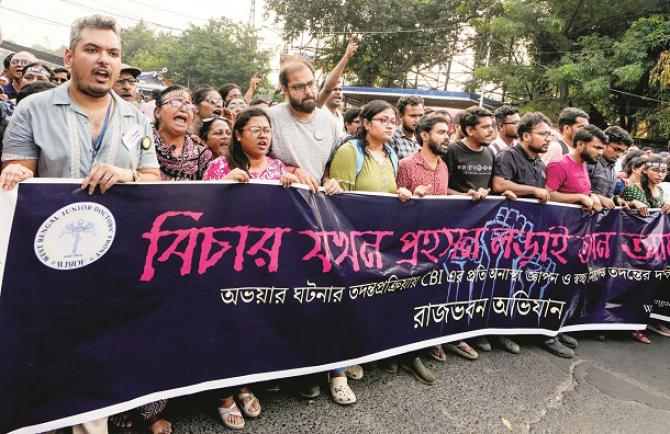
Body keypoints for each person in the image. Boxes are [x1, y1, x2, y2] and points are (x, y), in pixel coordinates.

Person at [0, 14, 164, 434]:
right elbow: (17, 176)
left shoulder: (136, 118)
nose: (104, 60)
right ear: (70, 56)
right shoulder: (32, 109)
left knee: (97, 365)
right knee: (42, 362)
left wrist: (127, 175)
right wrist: (16, 176)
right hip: (48, 266)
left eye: (113, 53)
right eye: (92, 50)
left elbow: (152, 179)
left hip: (114, 264)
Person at [266, 56, 342, 195]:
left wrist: (329, 181)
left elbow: (329, 166)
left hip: (315, 205)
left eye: (311, 84)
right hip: (276, 201)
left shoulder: (330, 122)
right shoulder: (269, 119)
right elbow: (251, 160)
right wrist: (290, 170)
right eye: (299, 87)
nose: (308, 91)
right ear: (285, 90)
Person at [621, 156, 670, 342]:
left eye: (663, 171)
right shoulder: (633, 189)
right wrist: (633, 203)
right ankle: (628, 325)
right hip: (631, 246)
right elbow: (622, 210)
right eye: (656, 170)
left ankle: (642, 323)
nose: (659, 175)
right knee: (631, 284)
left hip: (655, 248)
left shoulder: (662, 191)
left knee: (649, 286)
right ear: (644, 170)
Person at [153, 85, 212, 181]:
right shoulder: (142, 145)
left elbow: (209, 191)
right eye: (175, 102)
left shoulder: (201, 155)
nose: (183, 109)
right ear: (157, 112)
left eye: (188, 105)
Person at [546, 124, 606, 212]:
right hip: (558, 222)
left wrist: (592, 195)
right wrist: (580, 197)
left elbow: (576, 189)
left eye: (602, 149)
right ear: (580, 144)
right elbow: (547, 194)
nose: (600, 153)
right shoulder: (559, 164)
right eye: (597, 148)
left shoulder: (584, 163)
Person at [589, 126, 633, 209]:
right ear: (604, 143)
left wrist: (616, 199)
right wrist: (598, 198)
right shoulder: (590, 162)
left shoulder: (611, 167)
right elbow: (574, 189)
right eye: (616, 149)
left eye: (622, 151)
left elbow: (606, 195)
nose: (619, 154)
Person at [389, 95, 424, 159]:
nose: (418, 120)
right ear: (400, 116)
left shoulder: (423, 139)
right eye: (413, 116)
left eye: (421, 116)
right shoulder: (391, 138)